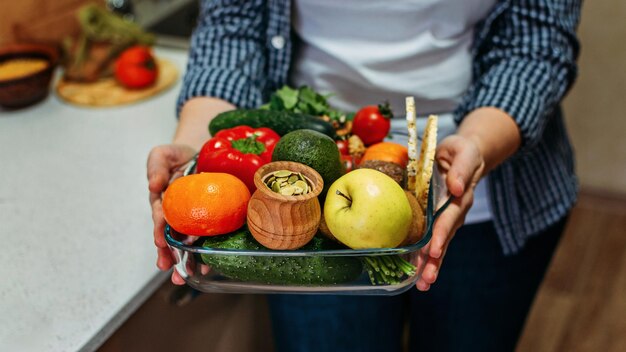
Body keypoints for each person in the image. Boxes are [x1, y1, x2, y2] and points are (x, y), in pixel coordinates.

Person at [147, 0, 581, 351]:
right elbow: (230, 30)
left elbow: (536, 46)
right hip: (315, 203)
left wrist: (478, 145)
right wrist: (196, 147)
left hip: (489, 187)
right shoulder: (292, 208)